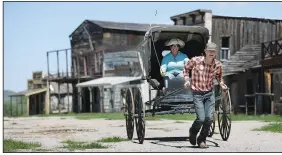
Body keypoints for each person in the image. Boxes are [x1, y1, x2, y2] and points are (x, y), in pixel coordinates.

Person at [183, 42, 228, 148]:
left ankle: (202, 140)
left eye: (213, 51)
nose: (211, 53)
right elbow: (186, 69)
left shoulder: (218, 65)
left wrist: (222, 85)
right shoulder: (195, 60)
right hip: (197, 94)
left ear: (215, 52)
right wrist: (186, 80)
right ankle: (193, 132)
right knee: (201, 118)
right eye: (209, 51)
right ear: (205, 51)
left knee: (209, 118)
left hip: (209, 93)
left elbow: (219, 77)